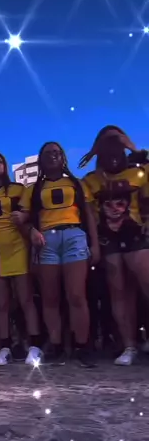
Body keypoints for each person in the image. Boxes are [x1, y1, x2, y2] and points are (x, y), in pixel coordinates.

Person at [14, 142, 99, 367]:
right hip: (46, 240)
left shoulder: (76, 183)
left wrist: (95, 244)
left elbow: (89, 215)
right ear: (40, 159)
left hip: (74, 235)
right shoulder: (32, 189)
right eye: (47, 153)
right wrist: (31, 231)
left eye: (56, 152)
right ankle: (57, 345)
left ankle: (82, 347)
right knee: (50, 298)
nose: (52, 156)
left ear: (63, 158)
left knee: (76, 295)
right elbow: (20, 219)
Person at [82, 126, 149, 365]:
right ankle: (129, 345)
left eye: (117, 143)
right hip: (107, 240)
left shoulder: (140, 172)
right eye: (106, 144)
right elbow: (90, 216)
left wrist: (133, 147)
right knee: (119, 292)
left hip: (136, 235)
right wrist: (95, 245)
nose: (113, 150)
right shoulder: (90, 181)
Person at [0, 151, 43, 367]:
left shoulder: (18, 189)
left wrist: (25, 217)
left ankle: (35, 345)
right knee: (0, 302)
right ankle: (5, 347)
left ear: (4, 166)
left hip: (17, 243)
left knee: (25, 299)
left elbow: (30, 213)